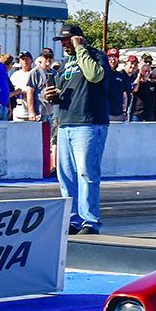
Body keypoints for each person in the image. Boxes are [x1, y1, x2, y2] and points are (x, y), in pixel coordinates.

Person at [42, 23, 110, 235]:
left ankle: (90, 220)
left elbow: (95, 76)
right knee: (66, 175)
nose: (64, 44)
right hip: (65, 121)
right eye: (62, 40)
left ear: (78, 38)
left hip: (89, 122)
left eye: (67, 39)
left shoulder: (97, 56)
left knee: (86, 173)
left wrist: (81, 49)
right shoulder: (65, 64)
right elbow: (60, 92)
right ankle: (73, 220)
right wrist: (50, 96)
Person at [130, 57, 156, 122]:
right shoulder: (136, 81)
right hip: (138, 113)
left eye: (148, 71)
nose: (147, 73)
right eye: (145, 71)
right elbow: (134, 89)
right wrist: (139, 76)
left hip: (150, 113)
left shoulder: (152, 83)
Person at [106, 48, 132, 122]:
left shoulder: (121, 76)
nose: (113, 60)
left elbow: (125, 95)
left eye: (115, 58)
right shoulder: (103, 74)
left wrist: (124, 111)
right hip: (106, 113)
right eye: (110, 58)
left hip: (119, 114)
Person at [10, 51, 35, 121]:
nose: (25, 61)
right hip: (18, 110)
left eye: (27, 59)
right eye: (23, 59)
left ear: (31, 60)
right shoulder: (15, 75)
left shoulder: (35, 74)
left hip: (32, 111)